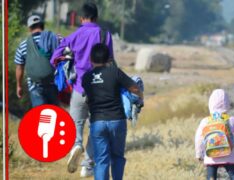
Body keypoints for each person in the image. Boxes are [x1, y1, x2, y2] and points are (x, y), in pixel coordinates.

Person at [50, 2, 113, 177]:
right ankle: (87, 165)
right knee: (96, 128)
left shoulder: (75, 35)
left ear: (81, 18)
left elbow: (55, 58)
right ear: (96, 17)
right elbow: (110, 61)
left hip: (79, 88)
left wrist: (68, 57)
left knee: (76, 123)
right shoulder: (104, 34)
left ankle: (76, 144)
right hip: (99, 91)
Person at [82, 43, 143, 180]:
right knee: (117, 158)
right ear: (108, 58)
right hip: (117, 121)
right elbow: (135, 89)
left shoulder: (86, 77)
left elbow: (88, 98)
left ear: (91, 59)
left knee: (101, 160)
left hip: (97, 123)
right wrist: (141, 99)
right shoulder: (115, 72)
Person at [195, 89, 234, 180]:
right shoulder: (229, 120)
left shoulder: (205, 121)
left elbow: (199, 139)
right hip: (227, 155)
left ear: (210, 104)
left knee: (211, 177)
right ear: (227, 104)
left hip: (211, 156)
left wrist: (199, 154)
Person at [15, 15, 60, 107]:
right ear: (42, 26)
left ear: (29, 28)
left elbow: (19, 67)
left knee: (40, 116)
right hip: (54, 84)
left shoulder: (23, 45)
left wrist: (19, 85)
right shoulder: (54, 39)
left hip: (35, 86)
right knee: (54, 116)